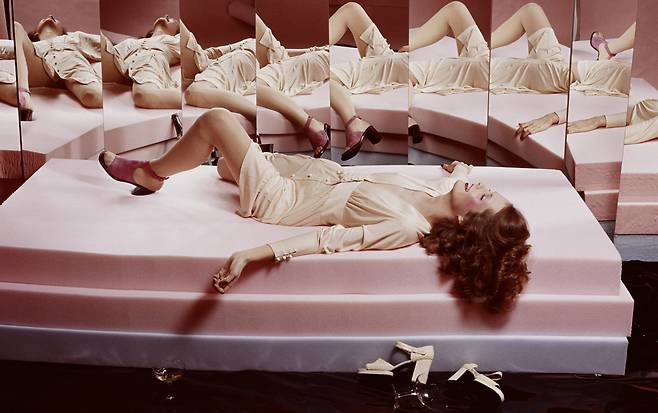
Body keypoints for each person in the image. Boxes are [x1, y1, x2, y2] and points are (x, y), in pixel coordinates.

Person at [97, 108, 532, 313]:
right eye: (489, 189)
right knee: (225, 168)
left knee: (217, 121)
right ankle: (186, 164)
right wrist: (461, 170)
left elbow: (330, 240)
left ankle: (151, 174)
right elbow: (468, 175)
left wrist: (254, 254)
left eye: (485, 197)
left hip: (283, 199)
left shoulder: (406, 225)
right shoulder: (438, 188)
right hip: (306, 171)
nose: (482, 187)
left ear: (466, 221)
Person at [181, 18, 332, 157]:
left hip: (245, 56)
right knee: (196, 89)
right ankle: (265, 117)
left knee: (195, 92)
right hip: (251, 53)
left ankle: (258, 116)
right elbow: (206, 56)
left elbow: (204, 58)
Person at [401, 1, 490, 143]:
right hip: (485, 63)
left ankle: (406, 117)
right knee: (456, 9)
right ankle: (406, 48)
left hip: (486, 70)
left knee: (405, 72)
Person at [7, 16, 103, 120]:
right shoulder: (31, 45)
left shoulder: (75, 37)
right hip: (40, 66)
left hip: (73, 66)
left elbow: (106, 47)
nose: (50, 16)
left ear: (62, 32)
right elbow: (6, 50)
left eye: (55, 19)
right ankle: (23, 97)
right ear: (35, 33)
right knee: (16, 27)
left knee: (92, 96)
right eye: (44, 18)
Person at [102, 15, 181, 109]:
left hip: (149, 61)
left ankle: (183, 95)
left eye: (172, 19)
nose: (166, 16)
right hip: (122, 66)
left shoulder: (175, 41)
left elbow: (190, 45)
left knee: (144, 95)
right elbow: (112, 54)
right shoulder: (130, 42)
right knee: (87, 39)